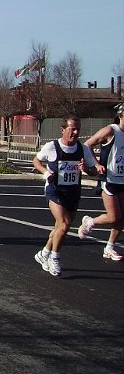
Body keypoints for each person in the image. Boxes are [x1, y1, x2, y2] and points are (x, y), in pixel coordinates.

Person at [33, 114, 103, 277]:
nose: (76, 132)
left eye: (78, 129)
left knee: (60, 228)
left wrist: (86, 168)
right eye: (72, 129)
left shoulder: (83, 149)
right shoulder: (52, 146)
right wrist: (45, 173)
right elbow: (36, 161)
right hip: (55, 190)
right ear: (63, 129)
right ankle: (54, 258)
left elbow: (93, 171)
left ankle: (44, 253)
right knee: (63, 225)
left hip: (72, 192)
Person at [77, 103, 124, 261]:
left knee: (122, 218)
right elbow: (88, 145)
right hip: (109, 179)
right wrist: (96, 165)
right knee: (113, 217)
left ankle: (109, 247)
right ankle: (90, 221)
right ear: (120, 116)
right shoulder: (111, 131)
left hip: (123, 180)